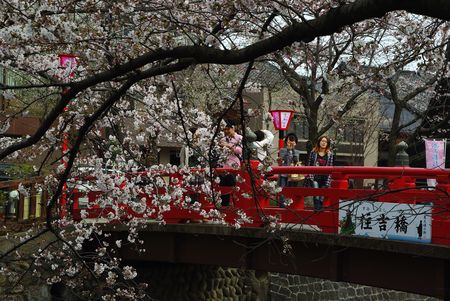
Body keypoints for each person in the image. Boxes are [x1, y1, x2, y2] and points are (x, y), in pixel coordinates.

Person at [306, 135, 334, 211]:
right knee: (316, 193)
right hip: (314, 177)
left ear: (327, 144)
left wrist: (329, 180)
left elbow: (330, 167)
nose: (324, 143)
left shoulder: (330, 154)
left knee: (321, 196)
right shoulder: (313, 152)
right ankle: (317, 210)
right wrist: (309, 176)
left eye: (326, 142)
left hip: (325, 177)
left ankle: (319, 211)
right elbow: (309, 164)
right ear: (319, 142)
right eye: (322, 141)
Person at [218, 120, 243, 206]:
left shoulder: (240, 138)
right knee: (224, 188)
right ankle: (224, 206)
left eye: (228, 129)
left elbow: (240, 151)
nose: (226, 131)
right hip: (224, 165)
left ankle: (235, 206)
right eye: (224, 129)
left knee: (234, 187)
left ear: (233, 128)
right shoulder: (222, 139)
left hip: (234, 165)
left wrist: (229, 146)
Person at [278, 133, 301, 207]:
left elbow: (295, 161)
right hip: (283, 174)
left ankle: (291, 207)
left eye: (292, 140)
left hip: (293, 175)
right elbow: (282, 159)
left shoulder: (297, 152)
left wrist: (293, 149)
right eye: (289, 140)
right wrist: (288, 149)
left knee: (291, 191)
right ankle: (282, 207)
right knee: (282, 191)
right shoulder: (282, 150)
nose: (291, 142)